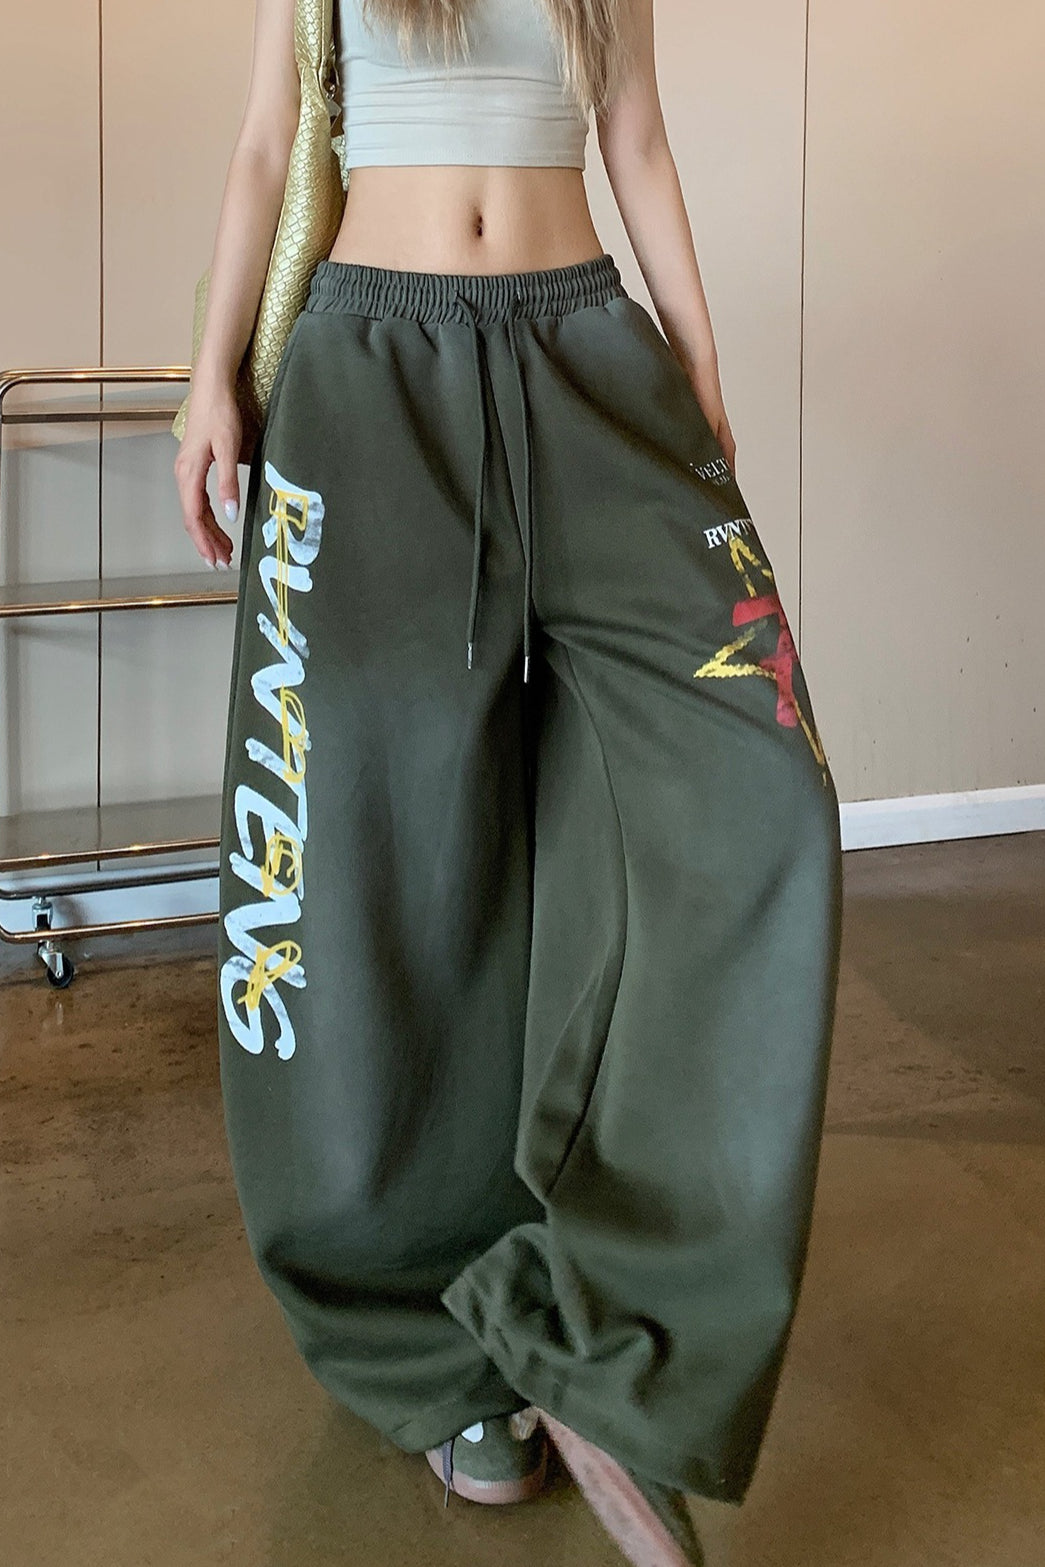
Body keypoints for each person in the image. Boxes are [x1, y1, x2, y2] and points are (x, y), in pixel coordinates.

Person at [174, 0, 843, 1561]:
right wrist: (211, 376)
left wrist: (698, 361)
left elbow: (635, 139)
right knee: (368, 861)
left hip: (589, 353)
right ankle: (432, 1348)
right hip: (367, 367)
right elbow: (269, 145)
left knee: (767, 790)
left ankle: (612, 1346)